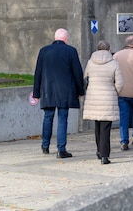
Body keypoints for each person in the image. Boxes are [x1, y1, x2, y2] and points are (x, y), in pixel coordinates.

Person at [32, 28, 85, 158]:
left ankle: (45, 145)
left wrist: (36, 93)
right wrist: (80, 91)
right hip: (65, 91)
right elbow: (77, 73)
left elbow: (37, 73)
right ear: (66, 38)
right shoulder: (71, 51)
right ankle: (61, 149)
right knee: (62, 119)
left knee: (48, 117)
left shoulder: (44, 51)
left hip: (48, 91)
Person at [82, 40, 123, 164]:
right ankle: (105, 155)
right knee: (106, 127)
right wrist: (114, 92)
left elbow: (85, 78)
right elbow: (120, 83)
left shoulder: (90, 62)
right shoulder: (114, 63)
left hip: (94, 97)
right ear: (109, 50)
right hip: (108, 98)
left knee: (97, 125)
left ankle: (99, 151)